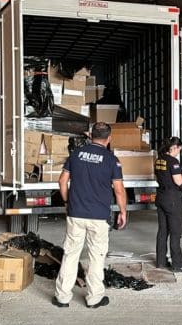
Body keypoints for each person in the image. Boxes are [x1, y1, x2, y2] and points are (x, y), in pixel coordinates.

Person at [53, 122, 127, 309]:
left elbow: (62, 181)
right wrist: (123, 212)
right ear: (109, 139)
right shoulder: (111, 160)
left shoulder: (76, 155)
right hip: (99, 216)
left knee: (70, 254)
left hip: (76, 213)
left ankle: (62, 297)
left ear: (91, 136)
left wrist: (67, 201)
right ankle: (94, 298)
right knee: (96, 256)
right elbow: (119, 190)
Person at [154, 136, 182, 272]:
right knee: (175, 232)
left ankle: (161, 261)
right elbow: (178, 181)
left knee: (163, 231)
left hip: (161, 196)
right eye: (179, 150)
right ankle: (177, 264)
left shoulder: (159, 160)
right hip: (172, 198)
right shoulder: (173, 161)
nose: (178, 153)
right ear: (174, 147)